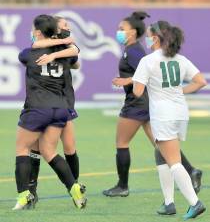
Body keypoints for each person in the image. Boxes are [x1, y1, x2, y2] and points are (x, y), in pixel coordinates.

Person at [102, 12, 202, 201]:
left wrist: (126, 81)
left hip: (137, 103)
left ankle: (122, 186)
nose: (118, 32)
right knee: (161, 145)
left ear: (133, 32)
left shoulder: (135, 51)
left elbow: (144, 75)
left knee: (122, 142)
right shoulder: (133, 50)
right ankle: (190, 172)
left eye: (122, 29)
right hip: (150, 105)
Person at [132, 20, 206, 219]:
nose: (146, 39)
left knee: (174, 162)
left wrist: (136, 81)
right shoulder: (180, 59)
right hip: (180, 112)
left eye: (148, 35)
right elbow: (201, 81)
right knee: (161, 153)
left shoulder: (147, 61)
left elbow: (137, 92)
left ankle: (194, 203)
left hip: (163, 115)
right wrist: (180, 90)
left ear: (155, 38)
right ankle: (168, 203)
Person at [13, 14, 86, 210]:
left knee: (23, 149)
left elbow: (29, 53)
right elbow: (75, 55)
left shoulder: (28, 54)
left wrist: (53, 50)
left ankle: (24, 195)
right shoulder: (66, 52)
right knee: (48, 151)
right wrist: (60, 45)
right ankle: (73, 187)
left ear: (38, 32)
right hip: (60, 108)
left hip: (38, 107)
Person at [28, 16, 80, 205]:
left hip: (59, 103)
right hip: (51, 103)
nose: (68, 28)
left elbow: (76, 58)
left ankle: (74, 187)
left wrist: (57, 54)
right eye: (65, 25)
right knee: (36, 147)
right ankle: (33, 192)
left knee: (67, 147)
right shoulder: (42, 48)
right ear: (55, 30)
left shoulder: (62, 50)